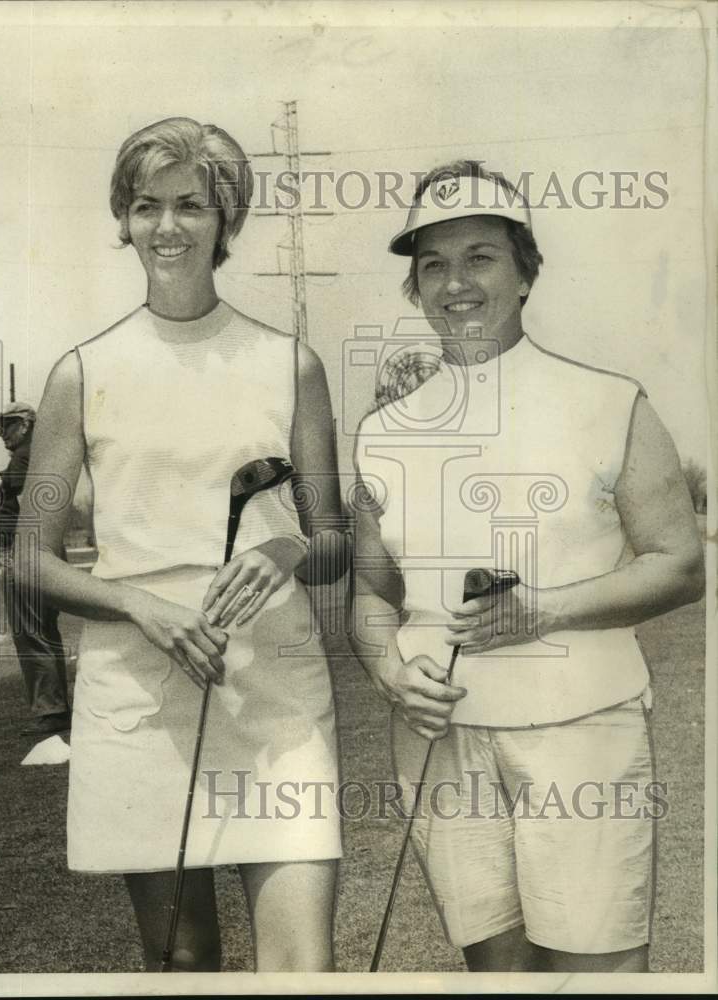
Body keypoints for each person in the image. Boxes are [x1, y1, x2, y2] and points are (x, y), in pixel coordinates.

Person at [350, 160, 704, 972]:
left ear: (523, 273)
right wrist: (386, 671)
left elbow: (679, 565)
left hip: (580, 728)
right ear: (413, 287)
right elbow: (372, 593)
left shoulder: (610, 401)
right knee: (499, 971)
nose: (454, 283)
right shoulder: (382, 431)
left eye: (479, 256)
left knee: (595, 971)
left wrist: (542, 612)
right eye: (431, 264)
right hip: (442, 737)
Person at [17, 117, 343, 972]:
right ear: (122, 219)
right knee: (185, 963)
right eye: (147, 205)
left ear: (225, 220)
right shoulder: (79, 374)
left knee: (301, 968)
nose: (168, 226)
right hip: (139, 687)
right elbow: (31, 557)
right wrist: (138, 605)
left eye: (192, 205)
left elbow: (333, 536)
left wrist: (289, 552)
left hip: (274, 688)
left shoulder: (290, 363)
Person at [0, 400, 71, 736]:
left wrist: (4, 542)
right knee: (43, 629)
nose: (1, 433)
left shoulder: (23, 456)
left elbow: (25, 506)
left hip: (25, 551)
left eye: (6, 425)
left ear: (25, 424)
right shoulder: (39, 453)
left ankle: (51, 711)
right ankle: (56, 707)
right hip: (41, 548)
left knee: (29, 630)